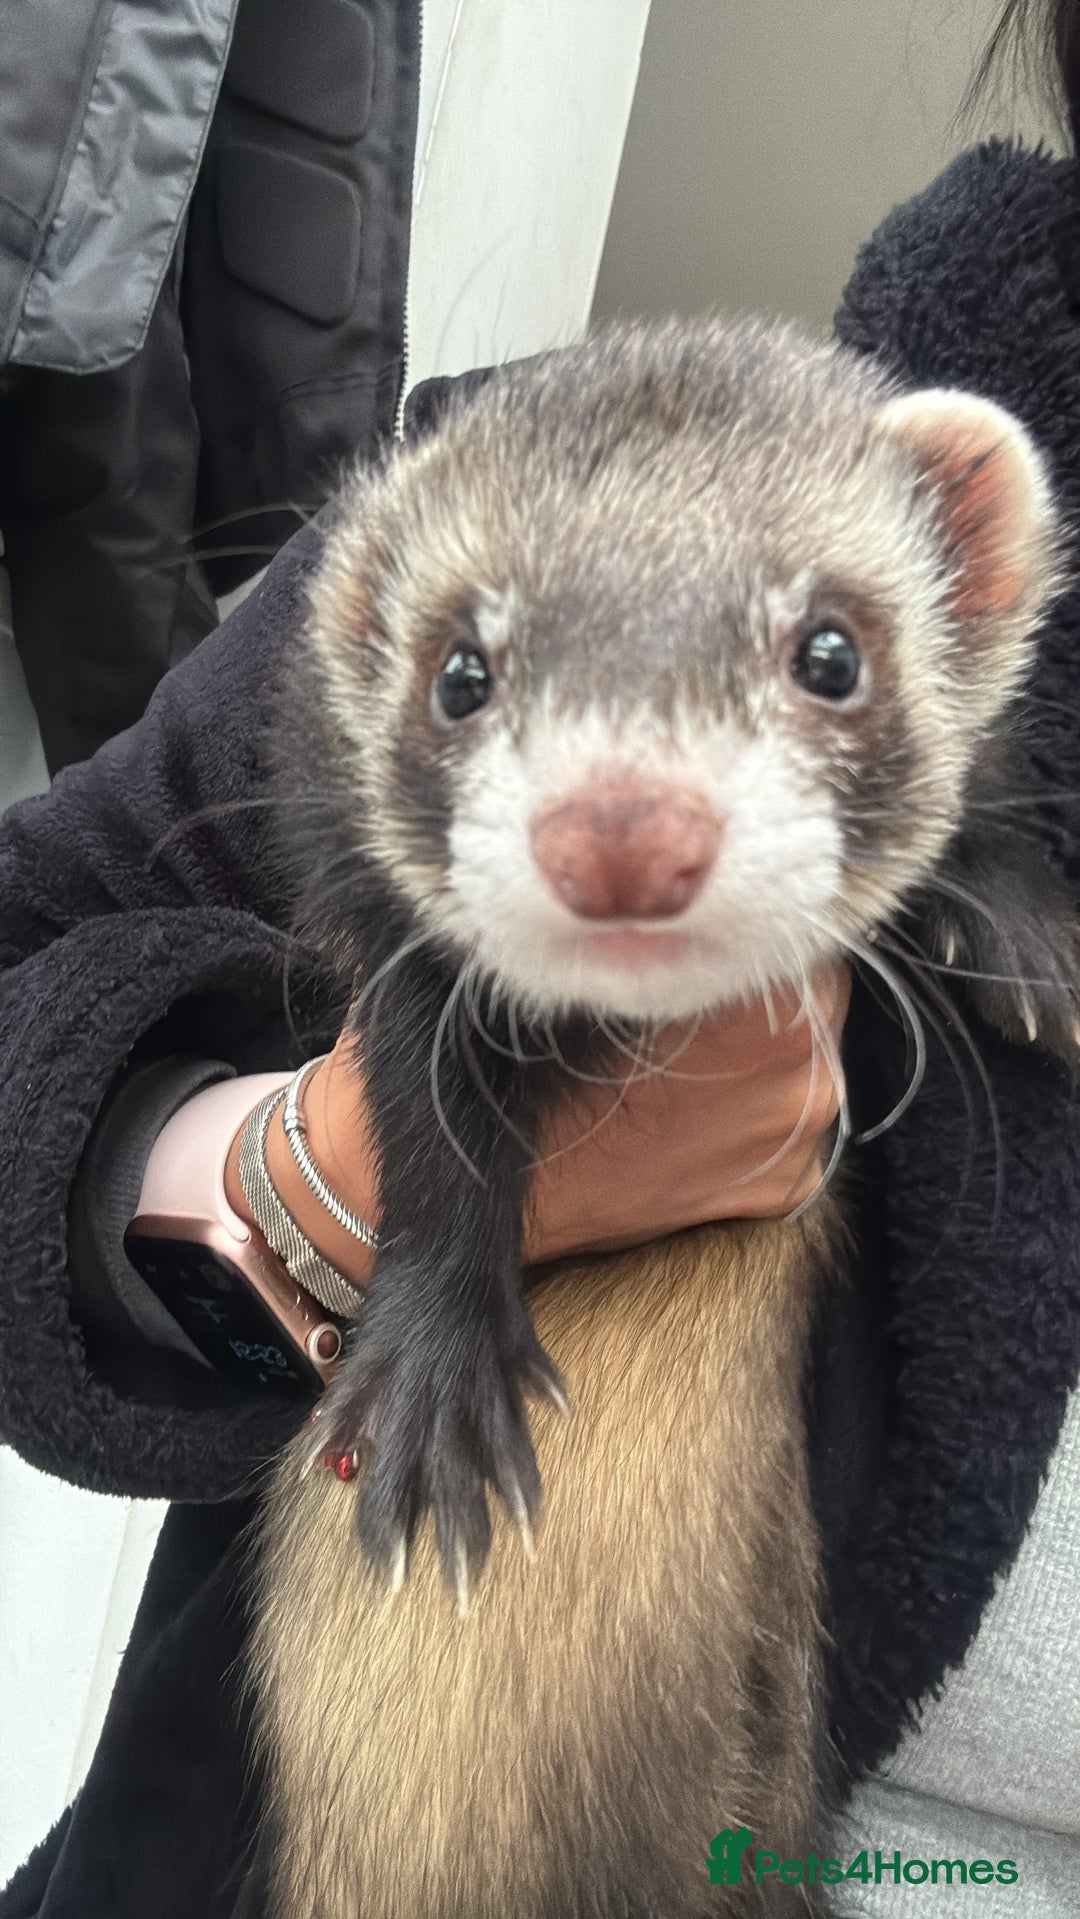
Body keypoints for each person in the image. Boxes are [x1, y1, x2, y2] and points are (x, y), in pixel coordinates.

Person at [2, 5, 1080, 1915]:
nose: (623, 811)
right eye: (476, 684)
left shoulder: (976, 770)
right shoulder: (500, 470)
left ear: (973, 597)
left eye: (820, 667)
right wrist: (308, 1190)